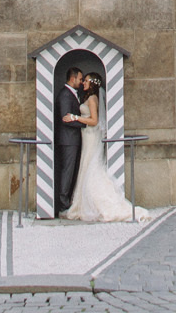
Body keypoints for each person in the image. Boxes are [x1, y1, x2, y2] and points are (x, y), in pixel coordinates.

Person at [61, 74, 150, 222]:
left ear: (92, 83)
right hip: (87, 136)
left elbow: (94, 121)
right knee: (86, 165)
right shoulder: (90, 98)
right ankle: (82, 204)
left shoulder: (92, 99)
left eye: (86, 81)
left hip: (91, 136)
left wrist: (75, 117)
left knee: (91, 166)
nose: (83, 83)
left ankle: (96, 203)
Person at [53, 66, 87, 216]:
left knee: (71, 171)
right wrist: (85, 124)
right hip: (68, 140)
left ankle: (66, 201)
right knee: (67, 171)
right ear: (72, 79)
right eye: (80, 79)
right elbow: (66, 118)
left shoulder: (72, 94)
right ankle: (63, 204)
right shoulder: (65, 95)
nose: (81, 82)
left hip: (72, 139)